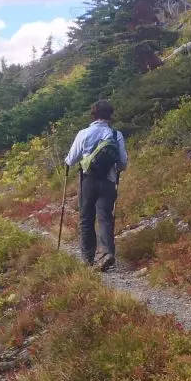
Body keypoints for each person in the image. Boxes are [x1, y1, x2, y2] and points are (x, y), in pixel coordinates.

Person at [64, 100, 128, 271]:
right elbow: (123, 163)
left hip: (88, 181)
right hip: (108, 182)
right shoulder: (116, 135)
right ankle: (107, 253)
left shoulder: (83, 133)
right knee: (105, 217)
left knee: (86, 219)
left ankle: (88, 258)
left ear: (93, 115)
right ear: (110, 115)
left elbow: (71, 159)